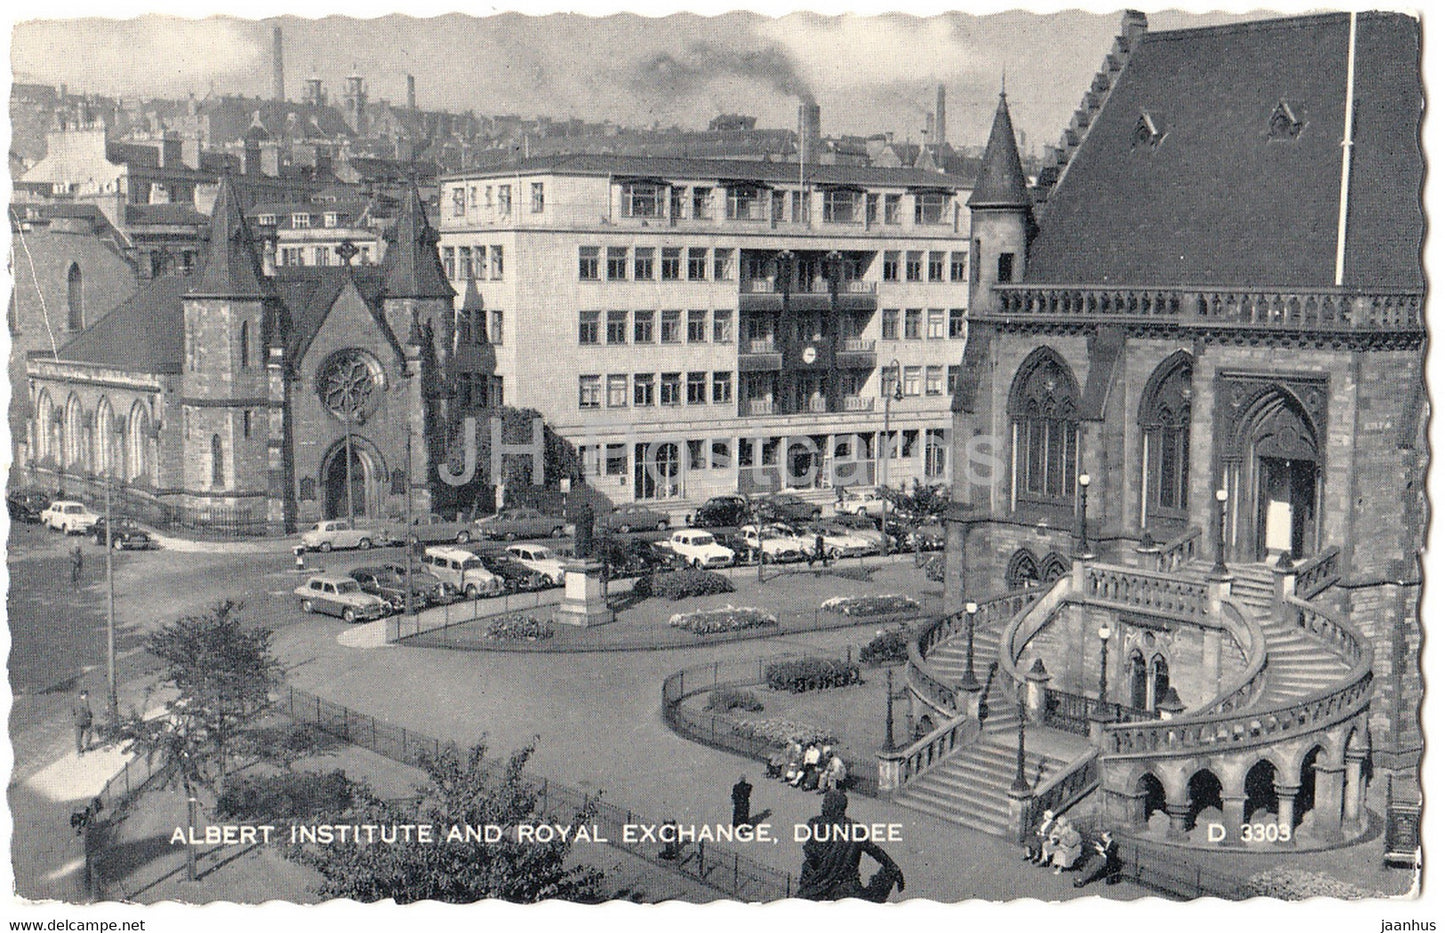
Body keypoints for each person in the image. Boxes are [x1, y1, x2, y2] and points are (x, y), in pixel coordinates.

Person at [797, 790, 905, 902]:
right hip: (847, 889)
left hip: (819, 887)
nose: (822, 806)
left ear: (835, 806)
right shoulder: (855, 829)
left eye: (826, 803)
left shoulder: (815, 824)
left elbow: (811, 857)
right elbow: (876, 852)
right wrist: (894, 868)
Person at [72, 690, 93, 755]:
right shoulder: (85, 702)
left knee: (78, 736)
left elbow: (73, 711)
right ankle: (88, 746)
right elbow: (88, 711)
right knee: (89, 732)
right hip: (85, 721)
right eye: (86, 695)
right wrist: (90, 716)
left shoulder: (75, 701)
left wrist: (76, 717)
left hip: (77, 721)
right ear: (85, 695)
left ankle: (79, 750)